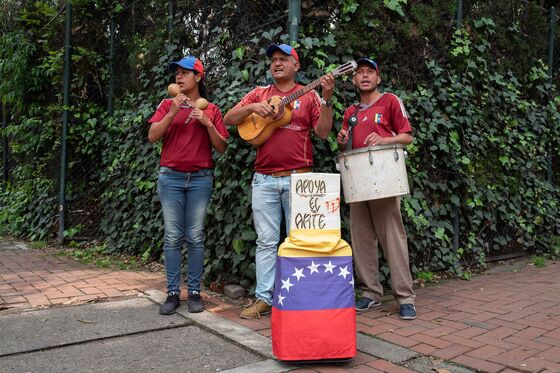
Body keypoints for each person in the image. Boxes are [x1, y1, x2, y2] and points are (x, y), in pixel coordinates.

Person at [223, 44, 335, 319]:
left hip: (300, 179)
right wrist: (252, 107)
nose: (277, 63)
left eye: (283, 59)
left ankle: (300, 298)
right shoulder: (260, 93)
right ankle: (264, 299)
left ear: (296, 66)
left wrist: (327, 98)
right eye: (273, 60)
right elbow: (229, 119)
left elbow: (322, 132)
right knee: (265, 242)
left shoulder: (308, 97)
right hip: (264, 180)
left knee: (302, 240)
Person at [148, 56, 229, 315]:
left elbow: (222, 148)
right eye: (177, 74)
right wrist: (172, 112)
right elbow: (152, 137)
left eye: (185, 73)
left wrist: (207, 124)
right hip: (170, 178)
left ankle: (194, 292)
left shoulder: (211, 110)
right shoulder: (166, 104)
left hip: (200, 179)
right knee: (173, 236)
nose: (179, 77)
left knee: (195, 236)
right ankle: (172, 293)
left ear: (198, 77)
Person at [337, 57, 417, 320]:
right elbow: (345, 151)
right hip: (357, 181)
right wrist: (342, 142)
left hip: (383, 178)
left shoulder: (390, 101)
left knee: (393, 238)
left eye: (370, 72)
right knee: (361, 240)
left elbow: (407, 136)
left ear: (378, 78)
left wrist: (384, 140)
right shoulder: (350, 112)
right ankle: (371, 293)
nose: (364, 76)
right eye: (359, 72)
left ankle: (405, 297)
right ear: (353, 80)